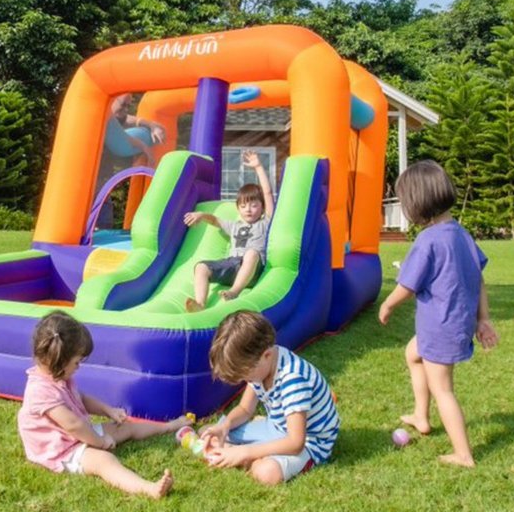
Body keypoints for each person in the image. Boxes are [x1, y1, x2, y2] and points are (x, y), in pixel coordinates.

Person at [377, 159, 499, 468]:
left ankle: (464, 454)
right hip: (454, 323)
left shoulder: (428, 240)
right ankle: (421, 415)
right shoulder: (460, 234)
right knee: (412, 354)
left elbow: (407, 285)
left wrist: (388, 304)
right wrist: (483, 319)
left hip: (440, 326)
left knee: (443, 389)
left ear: (416, 203)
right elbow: (479, 279)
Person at [17, 310, 188, 498]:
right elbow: (73, 425)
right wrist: (100, 442)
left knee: (126, 428)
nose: (79, 366)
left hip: (74, 435)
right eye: (76, 362)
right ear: (61, 362)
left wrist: (109, 411)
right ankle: (149, 489)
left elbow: (80, 398)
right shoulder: (40, 391)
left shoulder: (57, 375)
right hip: (60, 448)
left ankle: (169, 426)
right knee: (104, 461)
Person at [197, 309, 339, 486]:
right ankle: (240, 452)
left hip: (310, 442)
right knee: (209, 433)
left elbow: (296, 443)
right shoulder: (260, 369)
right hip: (277, 427)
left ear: (267, 355)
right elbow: (245, 409)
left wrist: (246, 453)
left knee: (266, 473)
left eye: (245, 375)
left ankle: (245, 455)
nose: (245, 380)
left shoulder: (292, 379)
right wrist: (224, 426)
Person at [182, 150, 273, 312]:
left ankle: (234, 292)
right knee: (200, 267)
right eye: (243, 206)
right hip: (232, 265)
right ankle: (200, 304)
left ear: (262, 207)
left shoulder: (265, 222)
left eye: (254, 205)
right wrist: (201, 215)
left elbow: (267, 193)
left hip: (252, 269)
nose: (249, 210)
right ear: (238, 208)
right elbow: (215, 220)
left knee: (251, 253)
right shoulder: (234, 225)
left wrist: (258, 167)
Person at [96, 93, 165, 230]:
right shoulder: (101, 113)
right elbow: (127, 139)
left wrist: (152, 126)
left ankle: (100, 234)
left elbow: (131, 120)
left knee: (103, 205)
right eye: (123, 104)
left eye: (128, 106)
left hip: (103, 176)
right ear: (112, 100)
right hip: (90, 175)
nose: (125, 109)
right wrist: (145, 149)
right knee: (97, 204)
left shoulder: (118, 118)